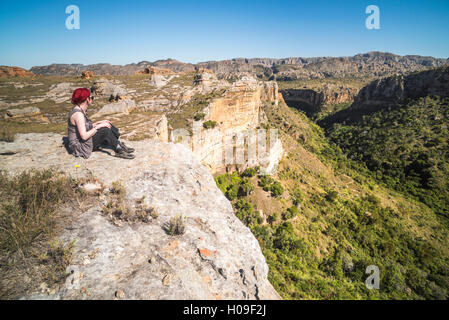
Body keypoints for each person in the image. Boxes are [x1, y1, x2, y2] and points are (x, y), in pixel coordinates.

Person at [67, 87, 135, 159]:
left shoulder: (81, 110)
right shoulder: (78, 115)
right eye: (91, 97)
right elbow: (84, 136)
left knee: (107, 124)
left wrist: (99, 123)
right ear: (87, 99)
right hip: (80, 145)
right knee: (104, 130)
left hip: (83, 140)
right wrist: (98, 127)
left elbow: (85, 127)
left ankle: (118, 144)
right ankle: (119, 150)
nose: (92, 99)